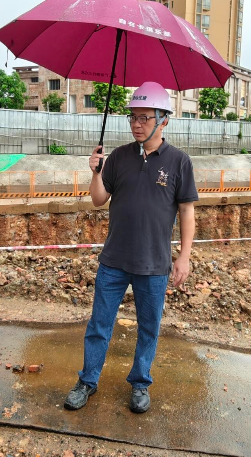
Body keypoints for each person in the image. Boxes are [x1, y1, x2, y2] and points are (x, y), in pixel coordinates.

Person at [65, 82, 197, 415]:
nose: (137, 124)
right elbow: (98, 200)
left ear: (163, 119)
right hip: (114, 260)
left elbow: (187, 211)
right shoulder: (121, 156)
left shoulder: (179, 162)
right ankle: (87, 381)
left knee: (149, 326)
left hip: (154, 264)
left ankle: (140, 383)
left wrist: (184, 257)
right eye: (132, 117)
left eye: (144, 118)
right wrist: (94, 172)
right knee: (99, 324)